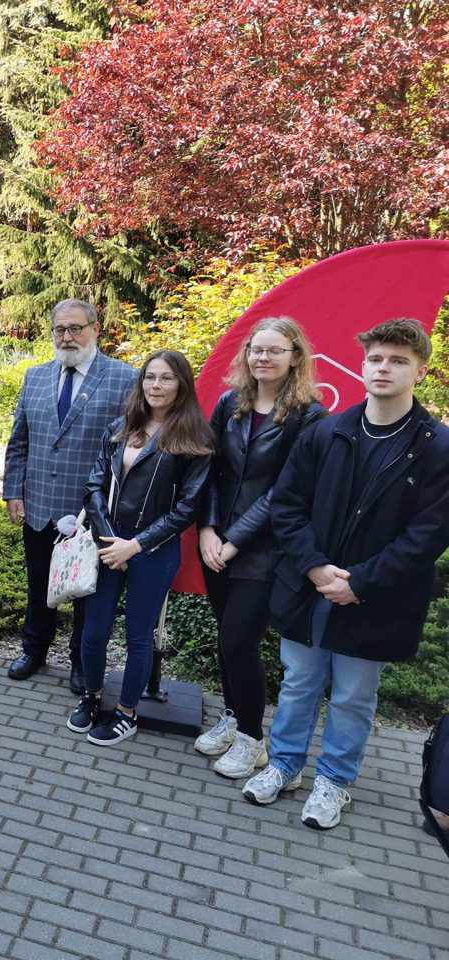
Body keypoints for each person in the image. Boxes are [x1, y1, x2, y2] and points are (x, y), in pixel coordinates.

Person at [243, 319, 449, 829]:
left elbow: (428, 535)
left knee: (354, 696)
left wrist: (358, 581)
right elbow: (287, 506)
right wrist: (316, 568)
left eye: (398, 361)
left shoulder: (438, 449)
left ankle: (334, 781)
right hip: (309, 587)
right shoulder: (325, 431)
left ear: (419, 372)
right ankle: (286, 765)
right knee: (298, 682)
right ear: (362, 366)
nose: (384, 368)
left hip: (376, 597)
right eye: (377, 358)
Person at [193, 318, 326, 778]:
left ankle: (253, 739)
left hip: (265, 550)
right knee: (227, 641)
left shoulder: (309, 414)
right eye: (256, 349)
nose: (263, 357)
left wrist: (233, 541)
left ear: (295, 355)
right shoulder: (231, 403)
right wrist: (208, 529)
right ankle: (233, 718)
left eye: (274, 350)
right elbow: (209, 471)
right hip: (216, 544)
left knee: (239, 641)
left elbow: (286, 490)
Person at [69, 349, 212, 745]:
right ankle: (92, 696)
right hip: (108, 543)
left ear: (182, 384)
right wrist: (107, 536)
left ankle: (127, 712)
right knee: (94, 632)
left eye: (166, 378)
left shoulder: (194, 439)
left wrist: (135, 545)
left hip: (153, 548)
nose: (156, 385)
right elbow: (94, 486)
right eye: (150, 377)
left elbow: (187, 509)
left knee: (138, 636)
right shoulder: (120, 427)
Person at [2, 299, 136, 693]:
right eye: (60, 329)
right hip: (39, 504)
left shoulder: (124, 379)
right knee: (39, 583)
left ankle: (81, 661)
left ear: (95, 329)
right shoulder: (35, 376)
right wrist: (13, 491)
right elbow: (18, 442)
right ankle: (34, 649)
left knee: (84, 591)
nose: (67, 337)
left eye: (76, 328)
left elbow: (129, 448)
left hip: (90, 511)